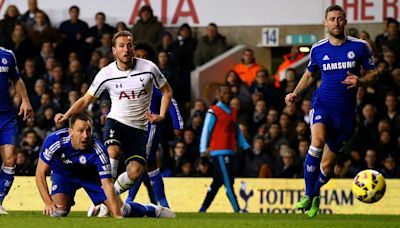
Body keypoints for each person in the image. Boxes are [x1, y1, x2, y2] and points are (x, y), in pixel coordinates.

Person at [54, 30, 172, 213]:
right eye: (121, 46)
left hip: (139, 129)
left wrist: (162, 115)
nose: (126, 49)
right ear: (114, 50)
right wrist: (67, 115)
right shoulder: (106, 73)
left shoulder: (149, 68)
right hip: (116, 121)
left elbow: (167, 91)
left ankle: (106, 199)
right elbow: (86, 100)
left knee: (135, 172)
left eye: (129, 45)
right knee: (113, 151)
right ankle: (107, 199)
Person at [285, 5, 378, 218]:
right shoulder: (318, 49)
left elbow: (375, 74)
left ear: (345, 22)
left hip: (345, 115)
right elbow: (309, 74)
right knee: (316, 142)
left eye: (340, 19)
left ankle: (315, 193)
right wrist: (296, 93)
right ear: (325, 23)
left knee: (327, 167)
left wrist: (361, 80)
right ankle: (308, 195)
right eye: (332, 19)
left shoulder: (361, 47)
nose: (336, 22)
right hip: (322, 105)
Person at [36, 112, 175, 218]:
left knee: (121, 210)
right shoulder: (54, 141)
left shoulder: (98, 149)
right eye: (80, 131)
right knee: (58, 212)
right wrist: (48, 202)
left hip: (90, 177)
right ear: (70, 131)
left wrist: (117, 216)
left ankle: (152, 210)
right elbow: (40, 174)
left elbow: (108, 183)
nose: (85, 135)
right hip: (63, 175)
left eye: (88, 130)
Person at [125, 42, 184, 208]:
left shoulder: (154, 79)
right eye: (139, 56)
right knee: (148, 165)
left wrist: (177, 124)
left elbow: (170, 100)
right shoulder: (128, 77)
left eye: (145, 57)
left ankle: (127, 201)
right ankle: (163, 204)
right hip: (131, 126)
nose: (142, 60)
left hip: (149, 126)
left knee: (140, 162)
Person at [199, 85, 250, 213]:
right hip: (219, 152)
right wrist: (203, 150)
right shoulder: (214, 111)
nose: (227, 95)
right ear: (219, 95)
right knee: (228, 181)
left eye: (229, 93)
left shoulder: (233, 111)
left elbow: (236, 130)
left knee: (217, 183)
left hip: (230, 151)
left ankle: (202, 210)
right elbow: (206, 130)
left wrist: (245, 145)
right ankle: (237, 209)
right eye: (224, 93)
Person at [0, 47, 33, 214]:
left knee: (11, 158)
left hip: (6, 115)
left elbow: (17, 79)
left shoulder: (7, 55)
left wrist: (25, 100)